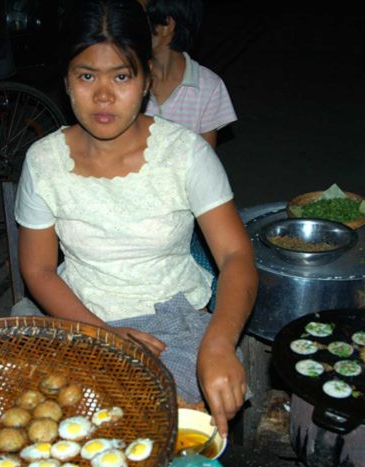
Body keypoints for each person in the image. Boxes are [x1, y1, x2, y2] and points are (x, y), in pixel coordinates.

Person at [14, 0, 257, 435]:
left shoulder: (184, 154)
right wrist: (100, 333)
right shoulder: (44, 161)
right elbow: (38, 268)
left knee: (179, 422)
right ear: (66, 81)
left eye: (121, 76)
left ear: (145, 79)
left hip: (173, 323)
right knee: (49, 423)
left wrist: (219, 343)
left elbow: (237, 255)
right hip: (78, 318)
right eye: (86, 75)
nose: (103, 95)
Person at [140, 0, 236, 148]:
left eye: (137, 16)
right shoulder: (125, 80)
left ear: (166, 25)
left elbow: (205, 161)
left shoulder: (208, 88)